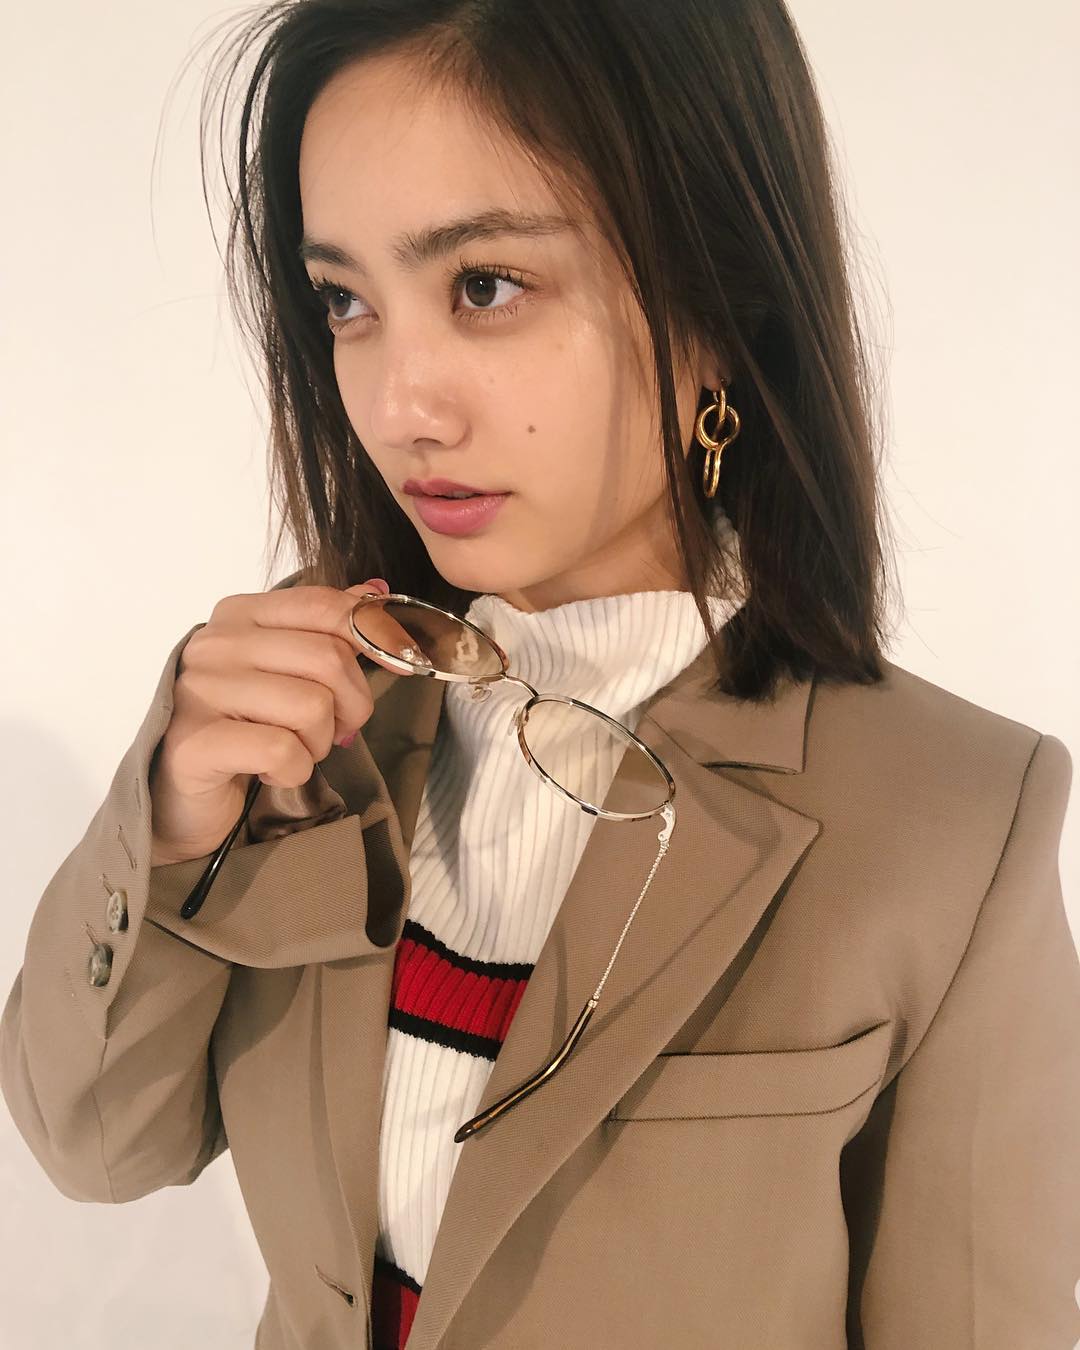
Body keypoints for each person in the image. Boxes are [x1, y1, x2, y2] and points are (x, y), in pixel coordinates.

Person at [3, 1, 1078, 1347]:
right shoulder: (303, 708)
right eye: (345, 301)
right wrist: (166, 830)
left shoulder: (951, 818)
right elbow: (97, 1149)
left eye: (485, 286)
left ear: (716, 302)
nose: (400, 404)